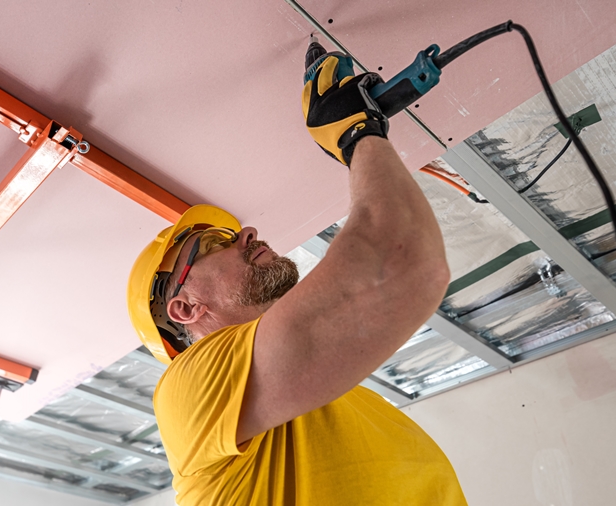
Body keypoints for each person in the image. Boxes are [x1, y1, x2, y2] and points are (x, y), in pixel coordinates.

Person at [127, 51, 467, 505]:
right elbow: (400, 264)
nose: (246, 232)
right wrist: (355, 132)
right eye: (212, 244)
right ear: (186, 308)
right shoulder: (189, 390)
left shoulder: (344, 399)